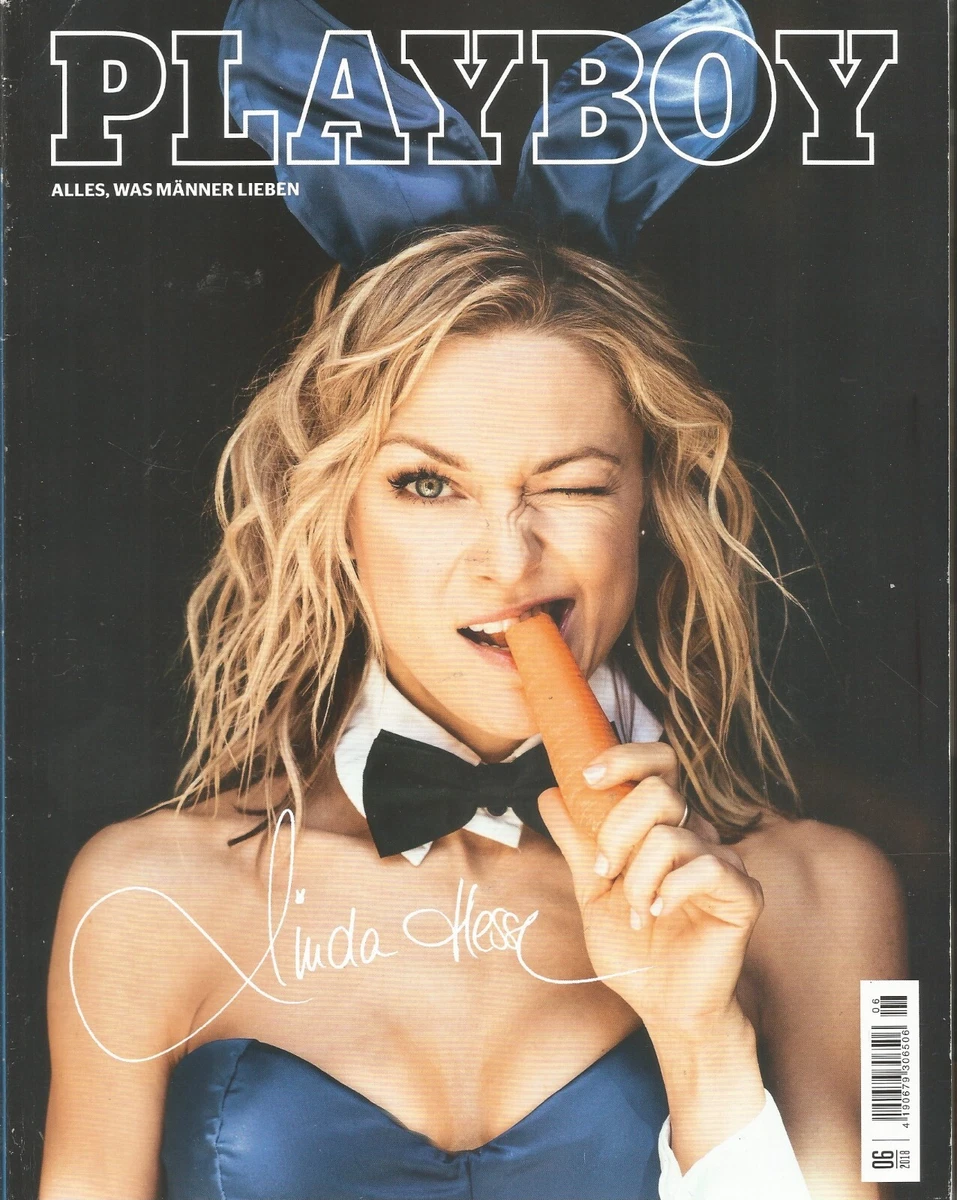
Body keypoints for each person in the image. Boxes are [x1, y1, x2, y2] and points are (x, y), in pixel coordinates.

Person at [39, 224, 905, 1200]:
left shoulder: (831, 897)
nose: (506, 558)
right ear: (339, 520)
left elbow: (888, 1160)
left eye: (573, 485)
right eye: (428, 485)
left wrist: (699, 1041)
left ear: (650, 508)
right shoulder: (143, 898)